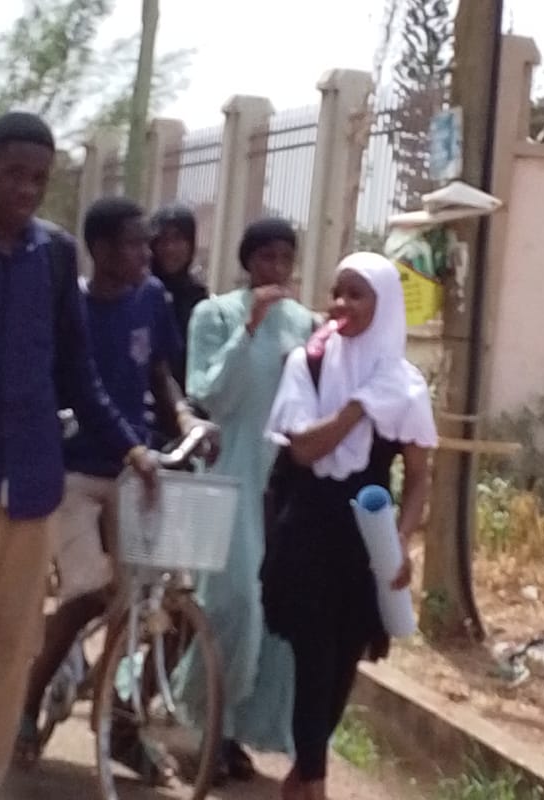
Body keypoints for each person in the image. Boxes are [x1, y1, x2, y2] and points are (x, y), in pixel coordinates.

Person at [16, 197, 216, 774]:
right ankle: (27, 701)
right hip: (77, 472)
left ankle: (116, 719)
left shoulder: (152, 299)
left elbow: (161, 373)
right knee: (86, 593)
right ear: (100, 251)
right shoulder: (70, 305)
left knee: (145, 604)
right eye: (132, 244)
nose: (145, 254)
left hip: (136, 468)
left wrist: (184, 418)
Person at [0, 113, 158, 795]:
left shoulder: (54, 256)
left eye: (40, 177)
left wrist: (132, 448)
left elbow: (78, 372)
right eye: (14, 174)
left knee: (9, 653)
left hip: (32, 487)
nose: (28, 188)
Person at [262, 252, 437, 800]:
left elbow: (419, 477)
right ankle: (314, 781)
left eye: (356, 294)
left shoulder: (406, 384)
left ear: (382, 307)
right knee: (314, 655)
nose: (340, 305)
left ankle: (301, 776)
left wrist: (402, 543)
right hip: (307, 529)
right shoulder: (306, 364)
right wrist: (360, 406)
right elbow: (306, 449)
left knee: (343, 662)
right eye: (336, 291)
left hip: (367, 540)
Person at [173, 218, 315, 781]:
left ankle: (230, 730)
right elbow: (211, 393)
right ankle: (206, 721)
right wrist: (249, 328)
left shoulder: (305, 324)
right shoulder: (214, 316)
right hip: (231, 474)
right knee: (234, 608)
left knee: (277, 617)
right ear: (248, 260)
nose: (276, 269)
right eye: (267, 257)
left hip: (283, 484)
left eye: (286, 258)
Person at [150, 203, 208, 390]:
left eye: (178, 240)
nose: (170, 249)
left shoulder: (197, 296)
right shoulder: (140, 291)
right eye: (162, 240)